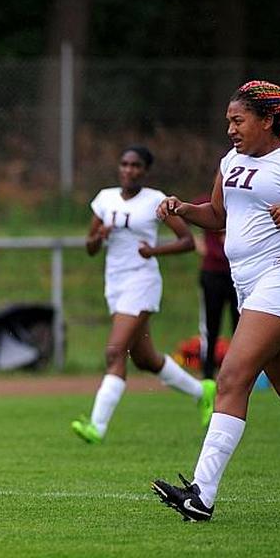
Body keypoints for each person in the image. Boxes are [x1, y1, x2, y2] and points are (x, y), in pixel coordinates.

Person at [152, 80, 280, 521]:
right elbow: (218, 216)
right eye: (228, 120)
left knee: (232, 377)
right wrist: (183, 209)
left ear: (267, 121)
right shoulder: (230, 162)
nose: (230, 128)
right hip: (251, 285)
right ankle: (200, 495)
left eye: (238, 120)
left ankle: (200, 496)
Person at [71, 145, 214, 445]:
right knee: (146, 360)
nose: (129, 170)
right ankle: (203, 392)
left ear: (145, 171)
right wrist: (99, 237)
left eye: (136, 165)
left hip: (142, 282)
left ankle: (96, 426)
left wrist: (153, 250)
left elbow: (187, 241)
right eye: (124, 164)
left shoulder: (155, 200)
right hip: (116, 283)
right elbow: (90, 248)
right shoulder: (105, 199)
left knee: (114, 352)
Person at [193, 193, 240, 380]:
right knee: (211, 326)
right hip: (213, 272)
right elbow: (184, 215)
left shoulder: (244, 199)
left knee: (241, 327)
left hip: (239, 272)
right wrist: (199, 244)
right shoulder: (207, 202)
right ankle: (208, 374)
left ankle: (239, 373)